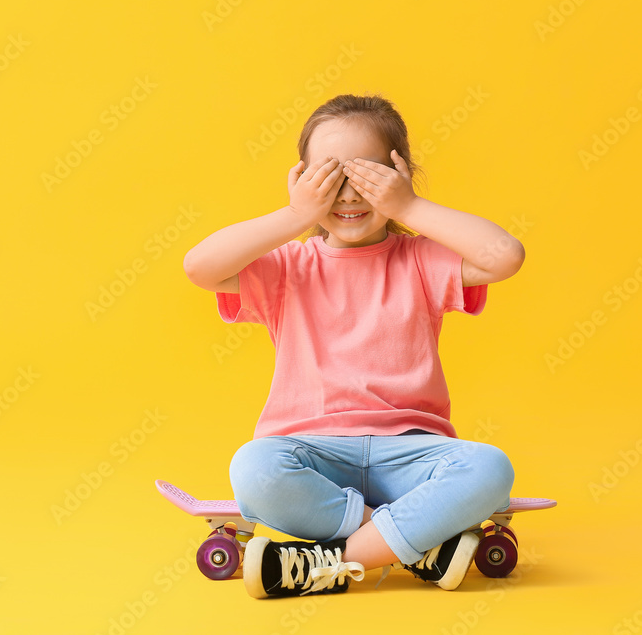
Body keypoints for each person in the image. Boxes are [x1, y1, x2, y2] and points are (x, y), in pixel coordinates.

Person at [183, 93, 525, 598]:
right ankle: (417, 546)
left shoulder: (419, 260)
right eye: (330, 178)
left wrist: (409, 206)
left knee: (490, 467)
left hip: (410, 453)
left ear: (400, 172)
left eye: (365, 176)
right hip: (311, 452)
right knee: (253, 468)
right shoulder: (288, 267)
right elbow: (200, 267)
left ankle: (332, 565)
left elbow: (505, 256)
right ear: (302, 180)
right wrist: (295, 216)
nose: (348, 194)